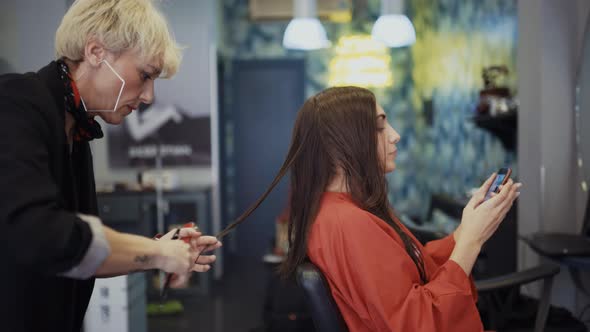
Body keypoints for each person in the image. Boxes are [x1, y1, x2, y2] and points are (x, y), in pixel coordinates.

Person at [222, 86, 521, 331]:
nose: (395, 135)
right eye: (380, 128)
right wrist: (472, 242)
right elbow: (416, 323)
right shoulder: (348, 224)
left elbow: (411, 264)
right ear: (341, 147)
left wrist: (464, 231)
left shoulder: (342, 210)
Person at [0, 1, 221, 331]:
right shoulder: (15, 102)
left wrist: (159, 249)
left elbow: (79, 252)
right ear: (95, 51)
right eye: (144, 75)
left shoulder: (77, 131)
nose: (148, 96)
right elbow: (42, 234)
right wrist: (157, 253)